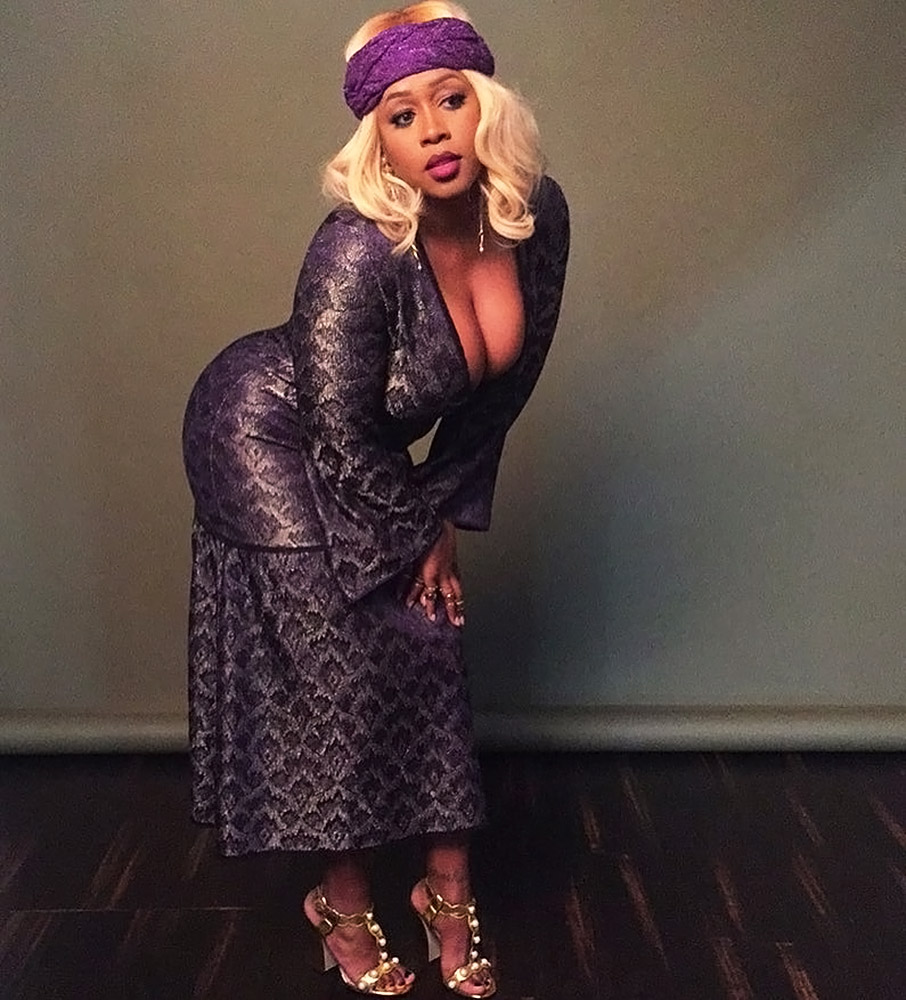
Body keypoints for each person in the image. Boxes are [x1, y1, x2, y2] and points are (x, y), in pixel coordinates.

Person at [182, 2, 569, 996]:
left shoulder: (532, 214)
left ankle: (447, 889)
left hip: (369, 455)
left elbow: (506, 389)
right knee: (336, 667)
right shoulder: (356, 248)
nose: (434, 131)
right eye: (403, 115)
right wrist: (414, 530)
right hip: (265, 435)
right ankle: (341, 905)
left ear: (487, 106)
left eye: (451, 100)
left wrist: (444, 515)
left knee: (430, 640)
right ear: (377, 141)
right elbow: (339, 431)